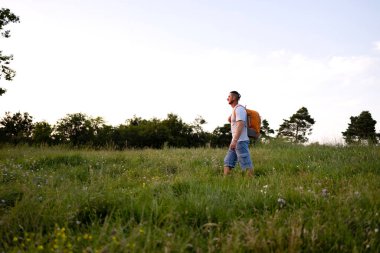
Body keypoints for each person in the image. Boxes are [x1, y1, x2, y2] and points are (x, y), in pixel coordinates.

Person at [224, 91, 254, 177]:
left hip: (240, 141)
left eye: (229, 96)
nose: (227, 98)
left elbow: (240, 124)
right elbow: (233, 121)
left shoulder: (239, 109)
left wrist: (235, 141)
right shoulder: (236, 109)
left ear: (233, 98)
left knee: (246, 164)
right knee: (228, 161)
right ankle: (226, 183)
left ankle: (251, 184)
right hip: (236, 142)